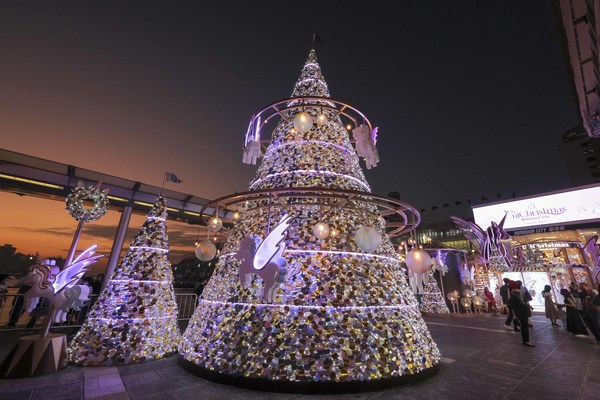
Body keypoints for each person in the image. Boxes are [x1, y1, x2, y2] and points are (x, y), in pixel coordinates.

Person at [509, 282, 534, 347]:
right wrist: (527, 305)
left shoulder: (515, 296)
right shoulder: (516, 296)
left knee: (524, 326)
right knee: (524, 326)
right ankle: (526, 341)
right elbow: (520, 304)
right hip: (522, 313)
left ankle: (525, 340)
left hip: (521, 313)